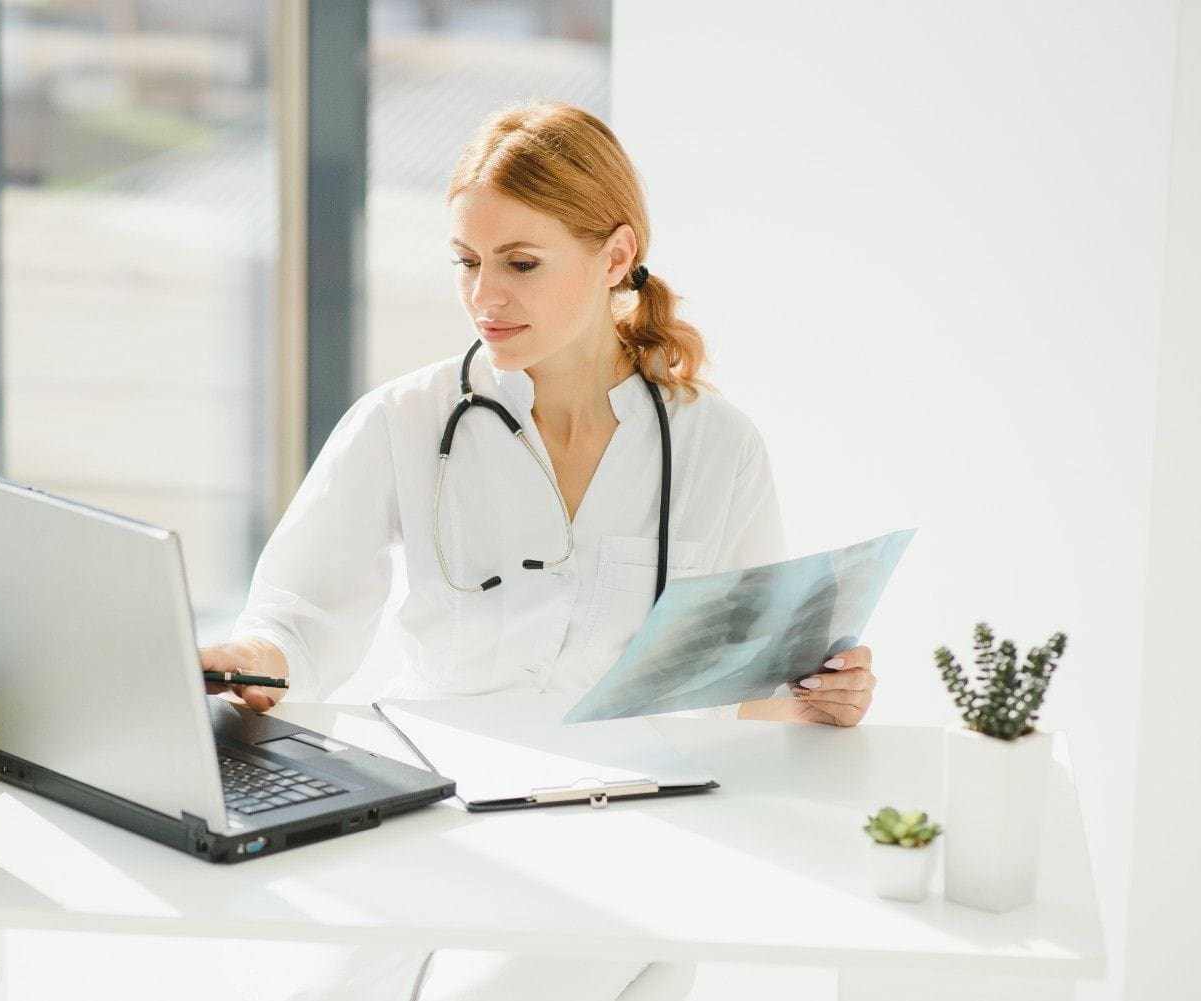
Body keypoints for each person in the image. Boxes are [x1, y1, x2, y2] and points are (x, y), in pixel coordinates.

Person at [199, 101, 877, 1001]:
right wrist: (248, 656)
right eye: (467, 263)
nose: (485, 296)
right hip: (425, 803)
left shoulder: (718, 449)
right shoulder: (406, 420)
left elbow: (745, 694)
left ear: (617, 256)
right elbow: (298, 611)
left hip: (626, 827)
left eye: (520, 263)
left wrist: (818, 698)